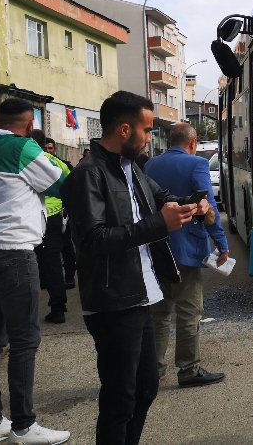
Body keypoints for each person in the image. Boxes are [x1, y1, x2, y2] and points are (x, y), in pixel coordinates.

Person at [63, 91, 201, 445]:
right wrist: (159, 225)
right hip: (112, 301)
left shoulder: (132, 169)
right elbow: (93, 240)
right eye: (146, 130)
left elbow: (164, 200)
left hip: (141, 295)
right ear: (124, 130)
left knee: (145, 387)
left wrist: (194, 205)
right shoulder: (88, 175)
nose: (149, 138)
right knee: (120, 397)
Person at [0, 98, 70, 445]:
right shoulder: (21, 147)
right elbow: (61, 181)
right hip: (14, 253)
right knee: (24, 341)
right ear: (27, 125)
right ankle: (24, 425)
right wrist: (37, 150)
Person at [144, 122, 229, 388]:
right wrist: (221, 242)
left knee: (159, 313)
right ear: (192, 143)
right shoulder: (197, 164)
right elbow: (207, 206)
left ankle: (153, 370)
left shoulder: (150, 165)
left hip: (156, 246)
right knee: (189, 311)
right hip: (186, 249)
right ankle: (188, 369)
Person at [25, 129, 72, 324]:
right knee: (52, 262)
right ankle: (58, 307)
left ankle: (24, 309)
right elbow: (70, 184)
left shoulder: (27, 159)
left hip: (33, 216)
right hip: (54, 217)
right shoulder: (56, 161)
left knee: (26, 261)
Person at [44, 138, 77, 289]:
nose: (48, 150)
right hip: (44, 215)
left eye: (50, 148)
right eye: (45, 148)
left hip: (62, 213)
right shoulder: (36, 165)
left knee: (66, 246)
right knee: (48, 250)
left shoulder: (63, 165)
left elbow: (71, 187)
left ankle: (70, 276)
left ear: (55, 149)